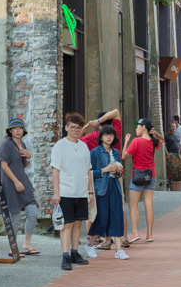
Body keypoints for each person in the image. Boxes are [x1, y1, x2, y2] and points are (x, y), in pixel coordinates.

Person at [79, 109, 130, 250]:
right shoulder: (116, 131)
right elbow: (117, 112)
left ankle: (107, 241)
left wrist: (86, 127)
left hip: (113, 180)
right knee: (110, 211)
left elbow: (77, 140)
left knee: (114, 210)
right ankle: (118, 238)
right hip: (102, 180)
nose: (109, 136)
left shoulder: (94, 136)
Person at [51, 113, 95, 271]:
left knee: (78, 223)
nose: (76, 130)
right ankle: (65, 255)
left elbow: (88, 170)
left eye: (78, 128)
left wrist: (90, 192)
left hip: (81, 192)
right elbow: (55, 171)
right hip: (66, 191)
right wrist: (56, 193)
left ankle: (75, 252)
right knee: (67, 225)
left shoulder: (83, 146)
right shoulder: (60, 146)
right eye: (73, 127)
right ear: (66, 128)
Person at [0, 118, 39, 256]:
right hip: (10, 183)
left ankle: (27, 243)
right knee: (15, 215)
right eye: (15, 128)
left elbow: (23, 165)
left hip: (23, 181)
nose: (17, 130)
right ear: (10, 131)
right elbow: (4, 165)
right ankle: (13, 247)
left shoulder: (23, 145)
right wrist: (15, 181)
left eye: (20, 128)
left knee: (32, 212)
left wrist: (29, 156)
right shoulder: (6, 145)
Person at [89, 125, 129, 260]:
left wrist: (118, 171)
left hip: (115, 186)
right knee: (102, 218)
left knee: (117, 217)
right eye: (106, 135)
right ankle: (90, 244)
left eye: (111, 135)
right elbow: (90, 173)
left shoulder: (116, 152)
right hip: (101, 188)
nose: (109, 137)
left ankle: (118, 250)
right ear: (101, 137)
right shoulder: (95, 152)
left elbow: (119, 171)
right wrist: (105, 169)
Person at [122, 118, 162, 243]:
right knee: (148, 204)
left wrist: (126, 142)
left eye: (138, 126)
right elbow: (162, 139)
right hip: (151, 175)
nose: (136, 129)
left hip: (137, 176)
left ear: (143, 127)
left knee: (133, 205)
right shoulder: (154, 142)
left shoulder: (136, 141)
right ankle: (149, 234)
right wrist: (154, 133)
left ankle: (135, 233)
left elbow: (124, 156)